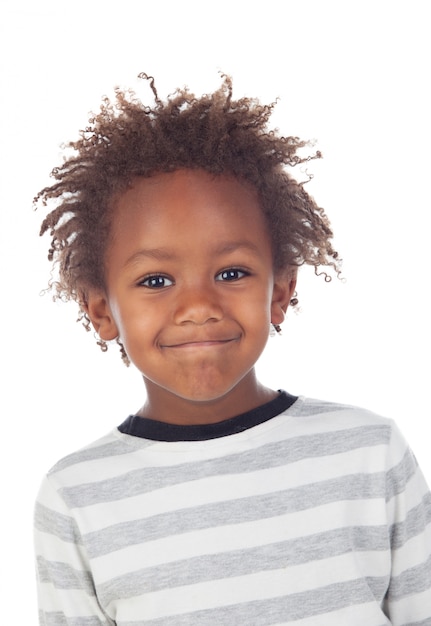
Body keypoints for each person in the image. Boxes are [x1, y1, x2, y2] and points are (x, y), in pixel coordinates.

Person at [34, 74, 431, 625]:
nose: (199, 305)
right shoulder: (76, 497)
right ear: (101, 310)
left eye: (231, 272)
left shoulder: (369, 453)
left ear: (281, 290)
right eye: (155, 280)